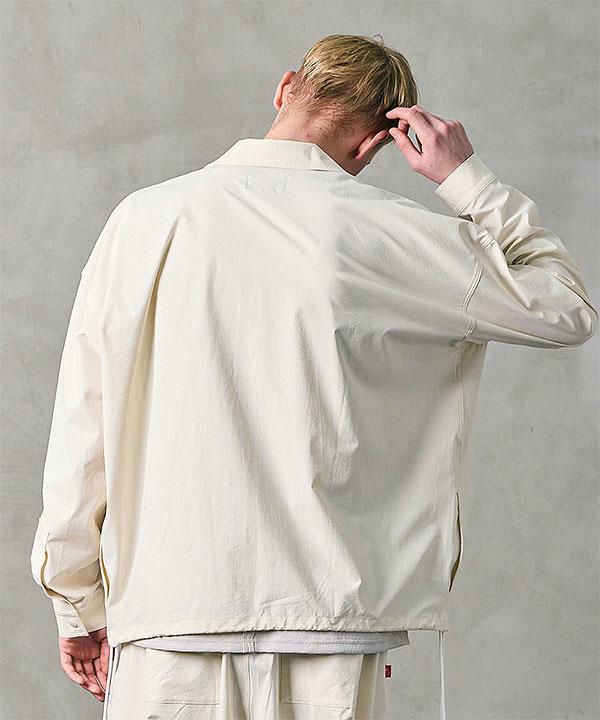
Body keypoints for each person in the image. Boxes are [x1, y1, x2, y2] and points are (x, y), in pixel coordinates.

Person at [30, 33, 597, 720]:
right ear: (377, 141)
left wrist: (76, 604)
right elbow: (565, 307)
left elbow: (84, 426)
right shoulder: (386, 231)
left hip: (167, 621)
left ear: (285, 87)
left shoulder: (143, 220)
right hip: (329, 622)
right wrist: (465, 177)